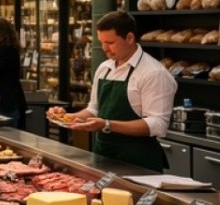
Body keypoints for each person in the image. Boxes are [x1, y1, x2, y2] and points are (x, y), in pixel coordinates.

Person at [49, 11, 176, 171]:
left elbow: (157, 124)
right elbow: (94, 109)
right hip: (103, 156)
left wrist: (107, 124)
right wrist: (66, 117)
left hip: (138, 161)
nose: (104, 49)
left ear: (129, 38)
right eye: (102, 42)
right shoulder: (105, 68)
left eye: (110, 42)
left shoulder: (153, 73)